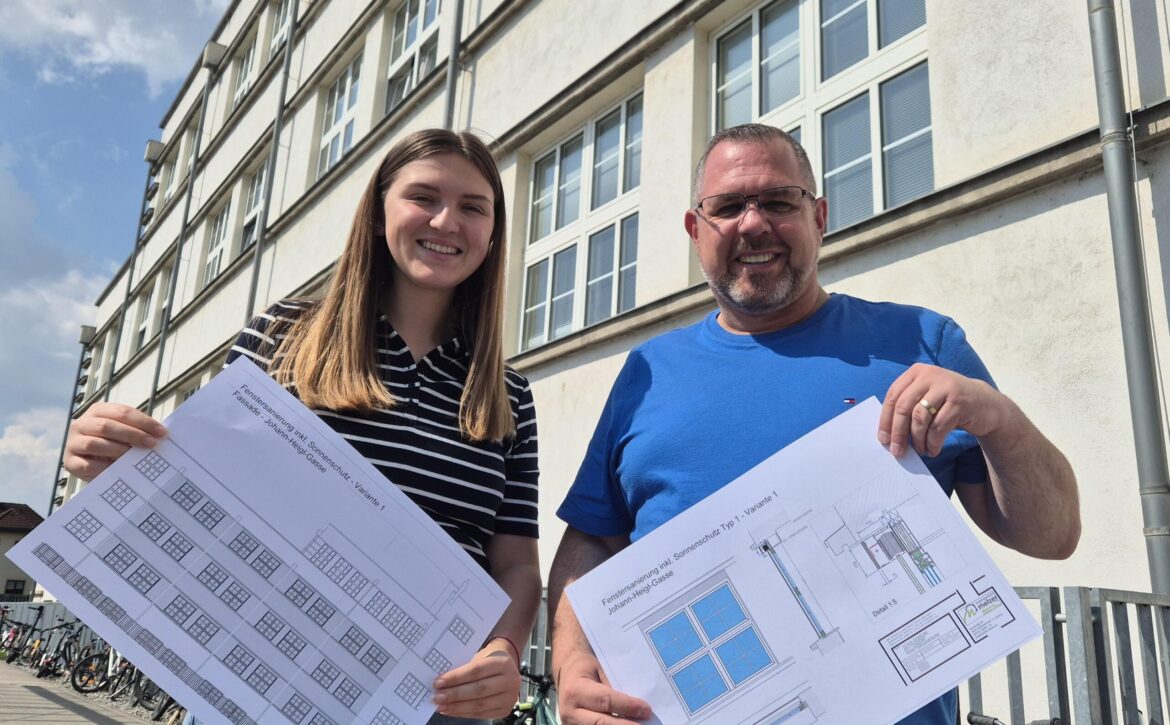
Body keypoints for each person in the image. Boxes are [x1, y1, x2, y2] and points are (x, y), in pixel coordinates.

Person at [547, 123, 1080, 725]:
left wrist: (999, 420)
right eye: (727, 207)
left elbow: (1052, 536)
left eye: (779, 201)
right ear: (696, 231)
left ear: (819, 217)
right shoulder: (648, 372)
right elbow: (594, 538)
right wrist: (570, 660)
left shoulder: (921, 343)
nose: (753, 224)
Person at [64, 129, 541, 724]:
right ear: (378, 215)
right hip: (264, 679)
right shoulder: (283, 338)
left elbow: (516, 563)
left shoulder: (507, 394)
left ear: (492, 233)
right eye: (423, 197)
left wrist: (504, 650)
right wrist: (113, 457)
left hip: (431, 700)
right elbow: (201, 490)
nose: (447, 221)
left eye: (473, 207)